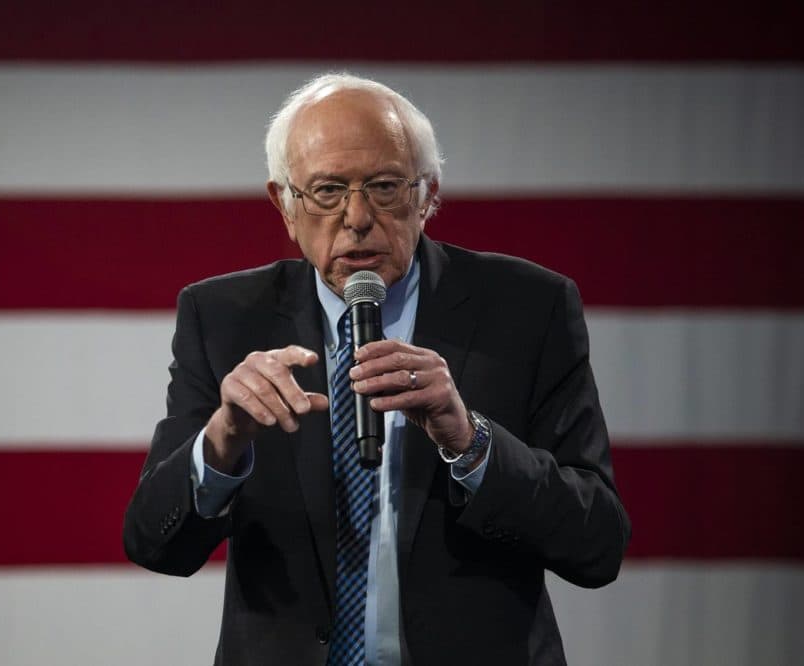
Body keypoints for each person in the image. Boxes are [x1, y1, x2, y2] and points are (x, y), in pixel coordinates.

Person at [123, 73, 630, 666]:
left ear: (427, 195)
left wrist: (470, 443)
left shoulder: (528, 308)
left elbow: (598, 546)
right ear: (284, 205)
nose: (357, 217)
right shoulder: (222, 318)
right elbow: (154, 543)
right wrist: (223, 438)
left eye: (385, 187)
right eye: (328, 191)